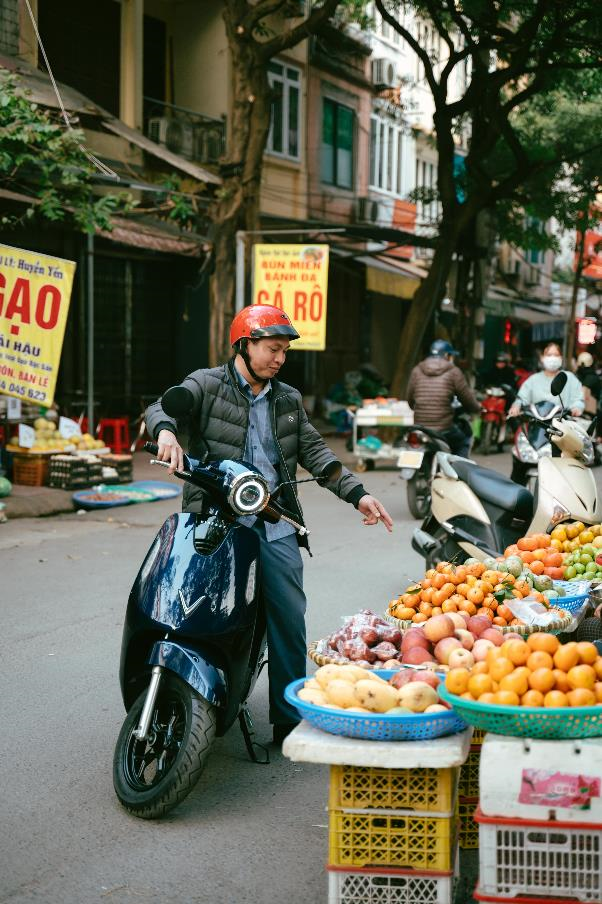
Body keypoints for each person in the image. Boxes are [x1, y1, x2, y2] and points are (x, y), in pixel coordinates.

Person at [145, 304, 393, 745]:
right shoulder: (206, 384)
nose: (279, 359)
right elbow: (162, 407)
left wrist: (360, 495)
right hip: (214, 518)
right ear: (244, 345)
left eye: (284, 352)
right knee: (186, 604)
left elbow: (317, 454)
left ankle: (286, 717)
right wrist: (165, 431)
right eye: (272, 349)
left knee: (288, 614)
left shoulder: (288, 399)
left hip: (274, 520)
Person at [508, 342, 585, 485]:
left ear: (561, 358)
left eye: (556, 355)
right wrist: (516, 406)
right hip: (536, 427)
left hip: (561, 428)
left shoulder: (568, 378)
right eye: (549, 354)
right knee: (518, 458)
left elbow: (578, 399)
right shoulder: (533, 380)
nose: (552, 358)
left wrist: (577, 408)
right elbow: (521, 397)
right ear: (542, 358)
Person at [406, 339, 481, 457]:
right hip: (443, 427)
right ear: (447, 355)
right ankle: (458, 474)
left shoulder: (417, 370)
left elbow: (410, 399)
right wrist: (476, 409)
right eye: (451, 355)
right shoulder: (453, 372)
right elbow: (466, 398)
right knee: (463, 441)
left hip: (420, 426)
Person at [576, 351, 601, 415]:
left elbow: (583, 394)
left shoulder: (588, 378)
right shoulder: (593, 376)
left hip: (588, 411)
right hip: (589, 410)